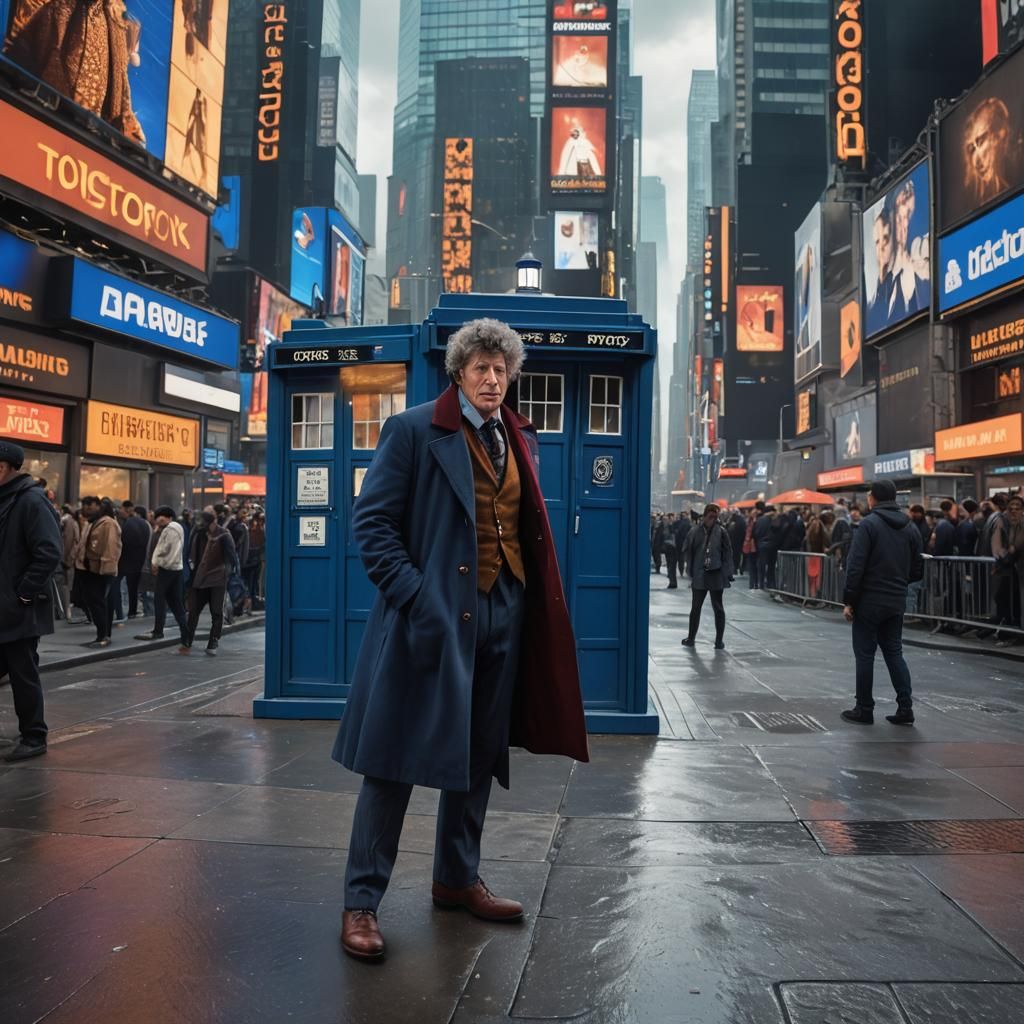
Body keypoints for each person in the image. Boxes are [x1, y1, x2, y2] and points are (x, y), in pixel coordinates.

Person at [333, 317, 588, 962]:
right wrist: (417, 598)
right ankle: (361, 903)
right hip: (429, 621)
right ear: (459, 373)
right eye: (481, 368)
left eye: (502, 370)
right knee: (391, 764)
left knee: (477, 757)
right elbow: (373, 525)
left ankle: (456, 878)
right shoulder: (414, 430)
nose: (493, 379)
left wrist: (521, 602)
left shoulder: (517, 437)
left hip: (504, 611)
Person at [840, 480, 924, 726]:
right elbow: (918, 567)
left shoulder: (868, 525)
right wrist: (899, 582)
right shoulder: (910, 527)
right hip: (896, 599)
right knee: (894, 653)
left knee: (865, 655)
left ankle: (864, 708)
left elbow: (856, 566)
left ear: (873, 498)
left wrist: (849, 600)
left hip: (869, 600)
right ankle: (905, 707)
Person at [0, 441, 62, 763]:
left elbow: (49, 552)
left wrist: (22, 593)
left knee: (23, 674)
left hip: (18, 609)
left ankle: (34, 736)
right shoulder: (5, 500)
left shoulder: (30, 500)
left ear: (5, 467)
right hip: (3, 607)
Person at [679, 504, 733, 651]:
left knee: (718, 607)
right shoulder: (694, 532)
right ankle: (691, 638)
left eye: (716, 517)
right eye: (711, 516)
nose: (713, 519)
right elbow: (688, 551)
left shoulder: (721, 532)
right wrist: (690, 571)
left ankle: (719, 641)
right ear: (704, 516)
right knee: (696, 607)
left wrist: (728, 573)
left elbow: (728, 553)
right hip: (700, 574)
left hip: (716, 573)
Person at [182, 511, 236, 656]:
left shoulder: (224, 534)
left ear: (213, 522)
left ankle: (213, 641)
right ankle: (188, 639)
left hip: (217, 579)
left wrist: (228, 575)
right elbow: (190, 553)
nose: (202, 525)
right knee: (193, 611)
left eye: (205, 522)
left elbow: (232, 557)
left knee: (216, 612)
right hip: (199, 579)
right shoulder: (198, 534)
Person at [135, 507, 189, 643]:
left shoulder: (170, 530)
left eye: (163, 516)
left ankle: (158, 631)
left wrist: (156, 563)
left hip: (167, 568)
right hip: (176, 568)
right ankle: (185, 630)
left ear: (170, 517)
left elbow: (163, 549)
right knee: (174, 601)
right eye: (158, 516)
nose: (159, 518)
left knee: (160, 600)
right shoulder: (173, 528)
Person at [75, 497, 122, 648]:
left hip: (99, 570)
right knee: (94, 602)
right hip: (87, 569)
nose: (86, 508)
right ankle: (102, 634)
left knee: (98, 602)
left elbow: (110, 546)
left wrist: (106, 568)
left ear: (98, 506)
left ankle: (103, 635)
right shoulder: (92, 521)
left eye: (89, 505)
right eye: (84, 505)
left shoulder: (107, 523)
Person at [117, 501, 152, 619]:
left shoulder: (127, 525)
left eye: (121, 508)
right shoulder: (143, 523)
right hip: (139, 561)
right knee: (133, 589)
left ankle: (120, 612)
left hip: (126, 561)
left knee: (117, 586)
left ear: (127, 509)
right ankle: (132, 611)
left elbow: (124, 544)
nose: (119, 511)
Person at [866, 205, 895, 337]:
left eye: (885, 238)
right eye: (877, 242)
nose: (881, 248)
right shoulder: (874, 298)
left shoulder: (902, 280)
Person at [57, 503, 79, 623]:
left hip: (66, 560)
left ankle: (65, 613)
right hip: (68, 559)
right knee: (66, 586)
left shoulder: (67, 521)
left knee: (65, 586)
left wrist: (67, 560)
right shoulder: (71, 521)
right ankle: (66, 612)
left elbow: (69, 541)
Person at [662, 513, 679, 589]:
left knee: (671, 566)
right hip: (670, 548)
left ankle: (672, 582)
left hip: (672, 548)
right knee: (671, 566)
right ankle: (672, 582)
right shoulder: (670, 526)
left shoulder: (672, 526)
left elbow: (671, 535)